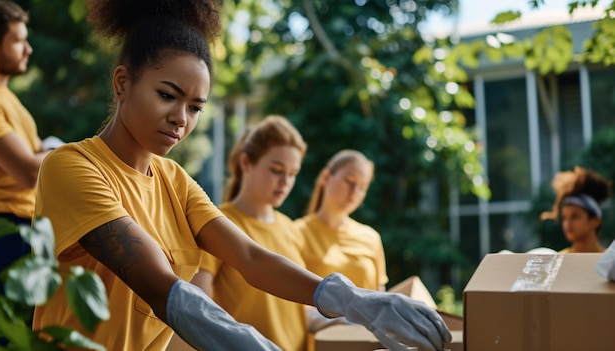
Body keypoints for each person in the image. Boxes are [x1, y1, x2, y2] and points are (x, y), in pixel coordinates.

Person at [33, 0, 451, 350]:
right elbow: (159, 285)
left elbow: (250, 258)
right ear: (122, 82)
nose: (181, 119)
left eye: (196, 107)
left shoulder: (174, 180)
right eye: (167, 95)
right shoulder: (71, 167)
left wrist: (355, 300)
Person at [191, 115, 309, 351]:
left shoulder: (291, 228)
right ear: (246, 163)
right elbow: (197, 312)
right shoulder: (217, 224)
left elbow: (301, 312)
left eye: (293, 173)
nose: (286, 181)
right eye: (277, 170)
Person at [0, 0, 62, 342]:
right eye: (19, 40)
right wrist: (56, 150)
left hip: (27, 232)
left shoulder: (8, 99)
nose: (29, 48)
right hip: (3, 234)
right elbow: (29, 172)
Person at [295, 149, 388, 291]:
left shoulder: (371, 238)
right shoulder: (296, 232)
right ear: (326, 177)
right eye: (349, 181)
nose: (355, 191)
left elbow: (380, 295)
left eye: (362, 187)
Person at [541, 166, 612, 253]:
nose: (567, 223)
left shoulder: (610, 262)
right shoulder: (560, 260)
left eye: (575, 216)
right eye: (564, 218)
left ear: (595, 220)